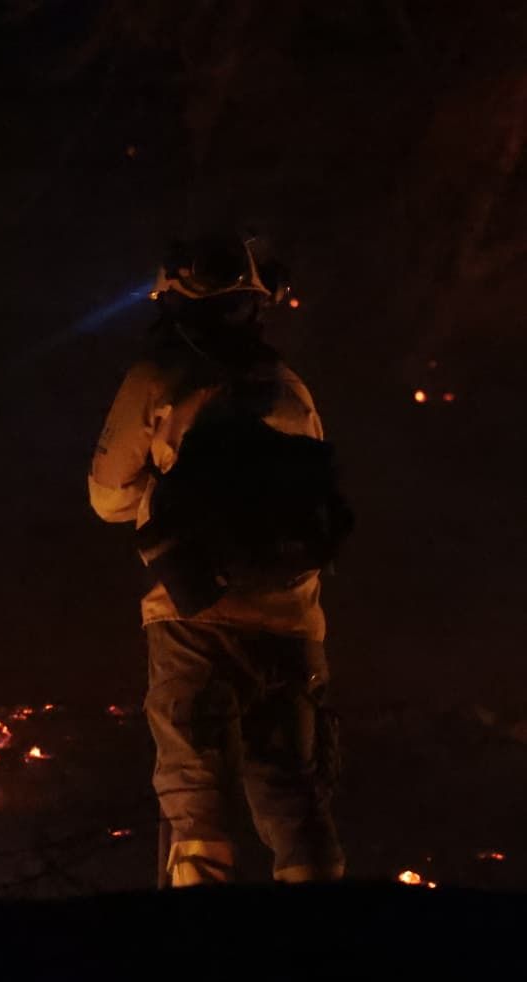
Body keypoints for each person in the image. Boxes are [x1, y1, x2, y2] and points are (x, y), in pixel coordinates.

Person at [88, 234, 345, 887]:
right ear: (257, 303)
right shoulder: (291, 387)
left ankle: (197, 945)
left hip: (191, 614)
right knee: (291, 787)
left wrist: (163, 493)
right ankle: (331, 945)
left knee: (192, 785)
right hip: (293, 622)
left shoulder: (158, 377)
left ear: (172, 301)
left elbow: (108, 496)